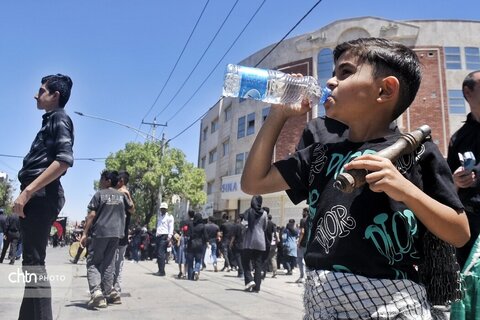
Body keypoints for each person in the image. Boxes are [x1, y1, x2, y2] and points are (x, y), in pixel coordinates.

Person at [240, 37, 470, 318]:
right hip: (322, 302)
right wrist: (278, 115)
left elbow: (459, 232)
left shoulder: (419, 153)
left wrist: (405, 189)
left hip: (393, 304)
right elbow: (254, 183)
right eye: (333, 73)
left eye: (345, 73)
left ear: (385, 90)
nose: (330, 83)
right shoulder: (319, 154)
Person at [13, 74, 74, 320]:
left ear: (55, 95)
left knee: (34, 266)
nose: (36, 95)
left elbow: (63, 161)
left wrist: (27, 191)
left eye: (41, 90)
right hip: (36, 197)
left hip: (39, 197)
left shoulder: (60, 119)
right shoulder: (50, 121)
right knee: (31, 265)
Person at [80, 170, 133, 309]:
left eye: (102, 179)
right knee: (109, 264)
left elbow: (91, 215)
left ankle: (97, 292)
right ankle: (109, 292)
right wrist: (127, 194)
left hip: (101, 233)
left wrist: (85, 233)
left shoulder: (99, 194)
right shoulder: (122, 196)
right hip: (116, 234)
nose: (100, 182)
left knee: (93, 262)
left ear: (108, 180)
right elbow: (132, 209)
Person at [447, 70, 480, 270]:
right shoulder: (458, 138)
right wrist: (457, 181)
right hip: (471, 223)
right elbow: (447, 187)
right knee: (470, 285)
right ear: (468, 93)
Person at [111, 170, 135, 304]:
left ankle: (113, 291)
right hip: (121, 235)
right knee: (118, 265)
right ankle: (115, 291)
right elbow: (132, 209)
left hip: (115, 235)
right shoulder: (124, 194)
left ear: (121, 181)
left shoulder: (119, 194)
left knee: (113, 264)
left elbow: (132, 209)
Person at [241, 195, 267, 292]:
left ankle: (249, 280)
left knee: (245, 262)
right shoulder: (264, 213)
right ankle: (257, 288)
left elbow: (243, 225)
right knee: (258, 264)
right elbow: (265, 226)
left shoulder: (248, 212)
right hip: (260, 241)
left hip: (249, 241)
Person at [185, 211, 208, 280]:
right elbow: (205, 236)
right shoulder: (202, 226)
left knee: (190, 262)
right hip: (199, 245)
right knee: (198, 260)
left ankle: (190, 277)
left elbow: (187, 234)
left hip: (191, 244)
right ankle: (196, 270)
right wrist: (207, 242)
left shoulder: (190, 224)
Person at [155, 202, 174, 276]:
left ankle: (162, 271)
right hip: (158, 236)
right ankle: (160, 269)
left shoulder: (169, 216)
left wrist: (169, 237)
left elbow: (171, 228)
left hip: (164, 236)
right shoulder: (160, 216)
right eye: (161, 209)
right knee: (159, 254)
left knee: (161, 254)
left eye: (164, 209)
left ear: (166, 209)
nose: (162, 210)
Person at [296, 208, 308, 283]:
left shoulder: (303, 220)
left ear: (306, 212)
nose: (302, 213)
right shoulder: (311, 220)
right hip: (309, 243)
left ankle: (302, 276)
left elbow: (302, 232)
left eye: (303, 211)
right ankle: (307, 277)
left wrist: (299, 242)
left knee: (300, 260)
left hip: (303, 243)